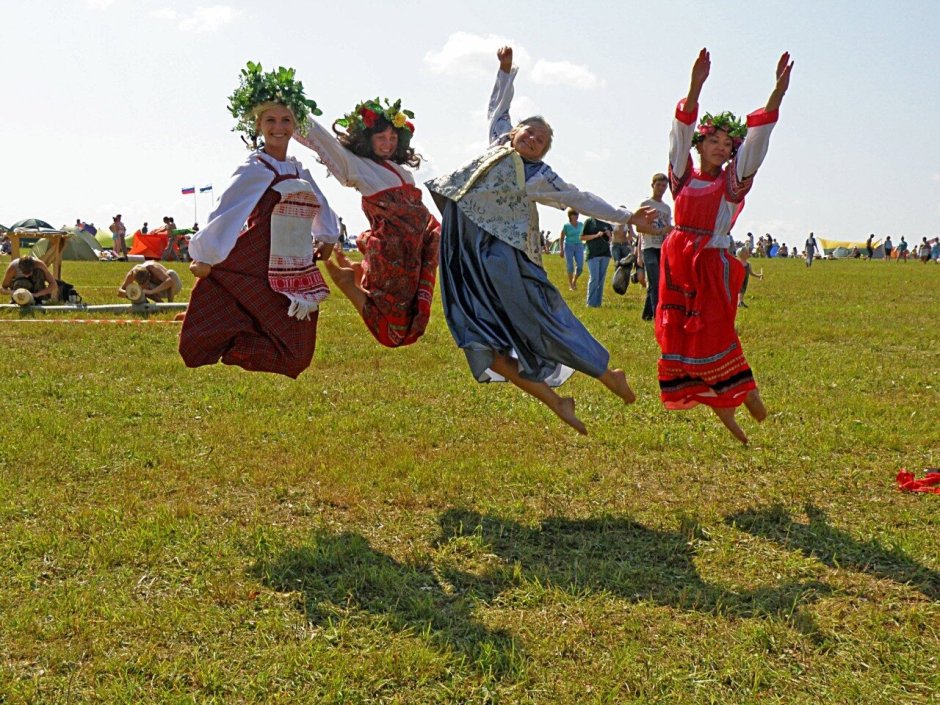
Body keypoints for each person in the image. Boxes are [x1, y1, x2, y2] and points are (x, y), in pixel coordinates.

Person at [425, 46, 656, 435]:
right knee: (478, 341)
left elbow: (578, 197)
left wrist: (626, 217)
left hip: (501, 256)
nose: (534, 139)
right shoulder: (498, 143)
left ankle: (604, 372)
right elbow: (497, 111)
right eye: (530, 132)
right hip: (462, 256)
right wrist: (504, 72)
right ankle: (556, 401)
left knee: (538, 318)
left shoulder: (539, 176)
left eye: (543, 140)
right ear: (514, 133)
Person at [655, 47, 793, 444]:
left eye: (726, 143)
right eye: (712, 140)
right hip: (677, 260)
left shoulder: (732, 183)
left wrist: (777, 94)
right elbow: (679, 134)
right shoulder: (681, 177)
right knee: (681, 336)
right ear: (701, 146)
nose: (720, 146)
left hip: (712, 261)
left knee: (716, 333)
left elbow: (757, 142)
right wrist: (695, 86)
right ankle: (727, 410)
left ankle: (749, 402)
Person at [179, 62, 339, 378]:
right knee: (290, 354)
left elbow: (319, 203)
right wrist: (206, 256)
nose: (278, 127)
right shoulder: (255, 168)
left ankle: (240, 339)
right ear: (257, 125)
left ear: (295, 126)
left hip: (295, 267)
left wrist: (329, 236)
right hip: (254, 265)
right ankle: (232, 346)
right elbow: (228, 211)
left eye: (285, 120)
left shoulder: (298, 169)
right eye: (270, 120)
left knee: (298, 354)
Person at [293, 95, 440, 348]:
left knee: (405, 312)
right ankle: (350, 285)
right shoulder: (357, 166)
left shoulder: (400, 169)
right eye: (381, 138)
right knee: (392, 329)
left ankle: (359, 275)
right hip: (391, 253)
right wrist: (290, 110)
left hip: (410, 254)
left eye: (393, 138)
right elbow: (322, 141)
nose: (388, 143)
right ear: (367, 139)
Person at [637, 173, 673, 321]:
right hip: (649, 246)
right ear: (653, 185)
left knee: (656, 282)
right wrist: (638, 253)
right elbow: (639, 228)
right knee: (655, 279)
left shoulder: (666, 208)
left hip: (662, 247)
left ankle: (647, 314)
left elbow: (667, 228)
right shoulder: (646, 204)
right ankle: (658, 315)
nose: (661, 188)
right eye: (658, 185)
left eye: (664, 185)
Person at [581, 217, 612, 307]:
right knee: (594, 278)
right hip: (593, 254)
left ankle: (598, 303)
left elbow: (610, 240)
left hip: (605, 254)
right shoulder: (589, 222)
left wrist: (609, 235)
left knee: (601, 280)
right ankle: (590, 303)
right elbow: (582, 237)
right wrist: (596, 235)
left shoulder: (607, 222)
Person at [117, 261, 183, 303]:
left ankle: (170, 304)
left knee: (171, 273)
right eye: (141, 283)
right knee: (142, 290)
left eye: (146, 282)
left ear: (149, 275)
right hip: (159, 291)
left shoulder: (152, 267)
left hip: (175, 287)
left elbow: (170, 282)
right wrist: (129, 293)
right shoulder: (132, 274)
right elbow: (119, 292)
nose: (145, 285)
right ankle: (160, 304)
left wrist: (151, 291)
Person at [559, 209, 585, 290]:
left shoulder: (581, 224)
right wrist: (561, 250)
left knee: (580, 267)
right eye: (575, 214)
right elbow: (562, 237)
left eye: (577, 214)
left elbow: (585, 233)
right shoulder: (566, 226)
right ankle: (571, 285)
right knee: (570, 266)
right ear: (570, 216)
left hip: (579, 245)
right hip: (569, 246)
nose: (577, 216)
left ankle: (574, 280)